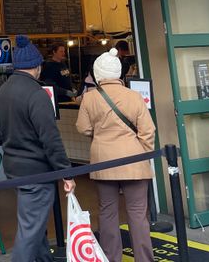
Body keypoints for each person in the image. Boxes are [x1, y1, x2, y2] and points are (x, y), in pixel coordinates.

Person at [0, 35, 74, 262]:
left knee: (34, 224)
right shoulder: (36, 94)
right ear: (37, 66)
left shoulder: (2, 92)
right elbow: (50, 138)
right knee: (30, 232)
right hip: (36, 171)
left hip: (14, 168)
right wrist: (66, 172)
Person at [76, 48, 155, 262]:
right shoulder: (134, 96)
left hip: (103, 163)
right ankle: (145, 259)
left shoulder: (90, 98)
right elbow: (148, 130)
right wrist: (143, 155)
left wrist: (100, 134)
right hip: (134, 161)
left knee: (107, 212)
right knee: (138, 214)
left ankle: (112, 258)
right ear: (119, 73)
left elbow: (82, 128)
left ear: (98, 73)